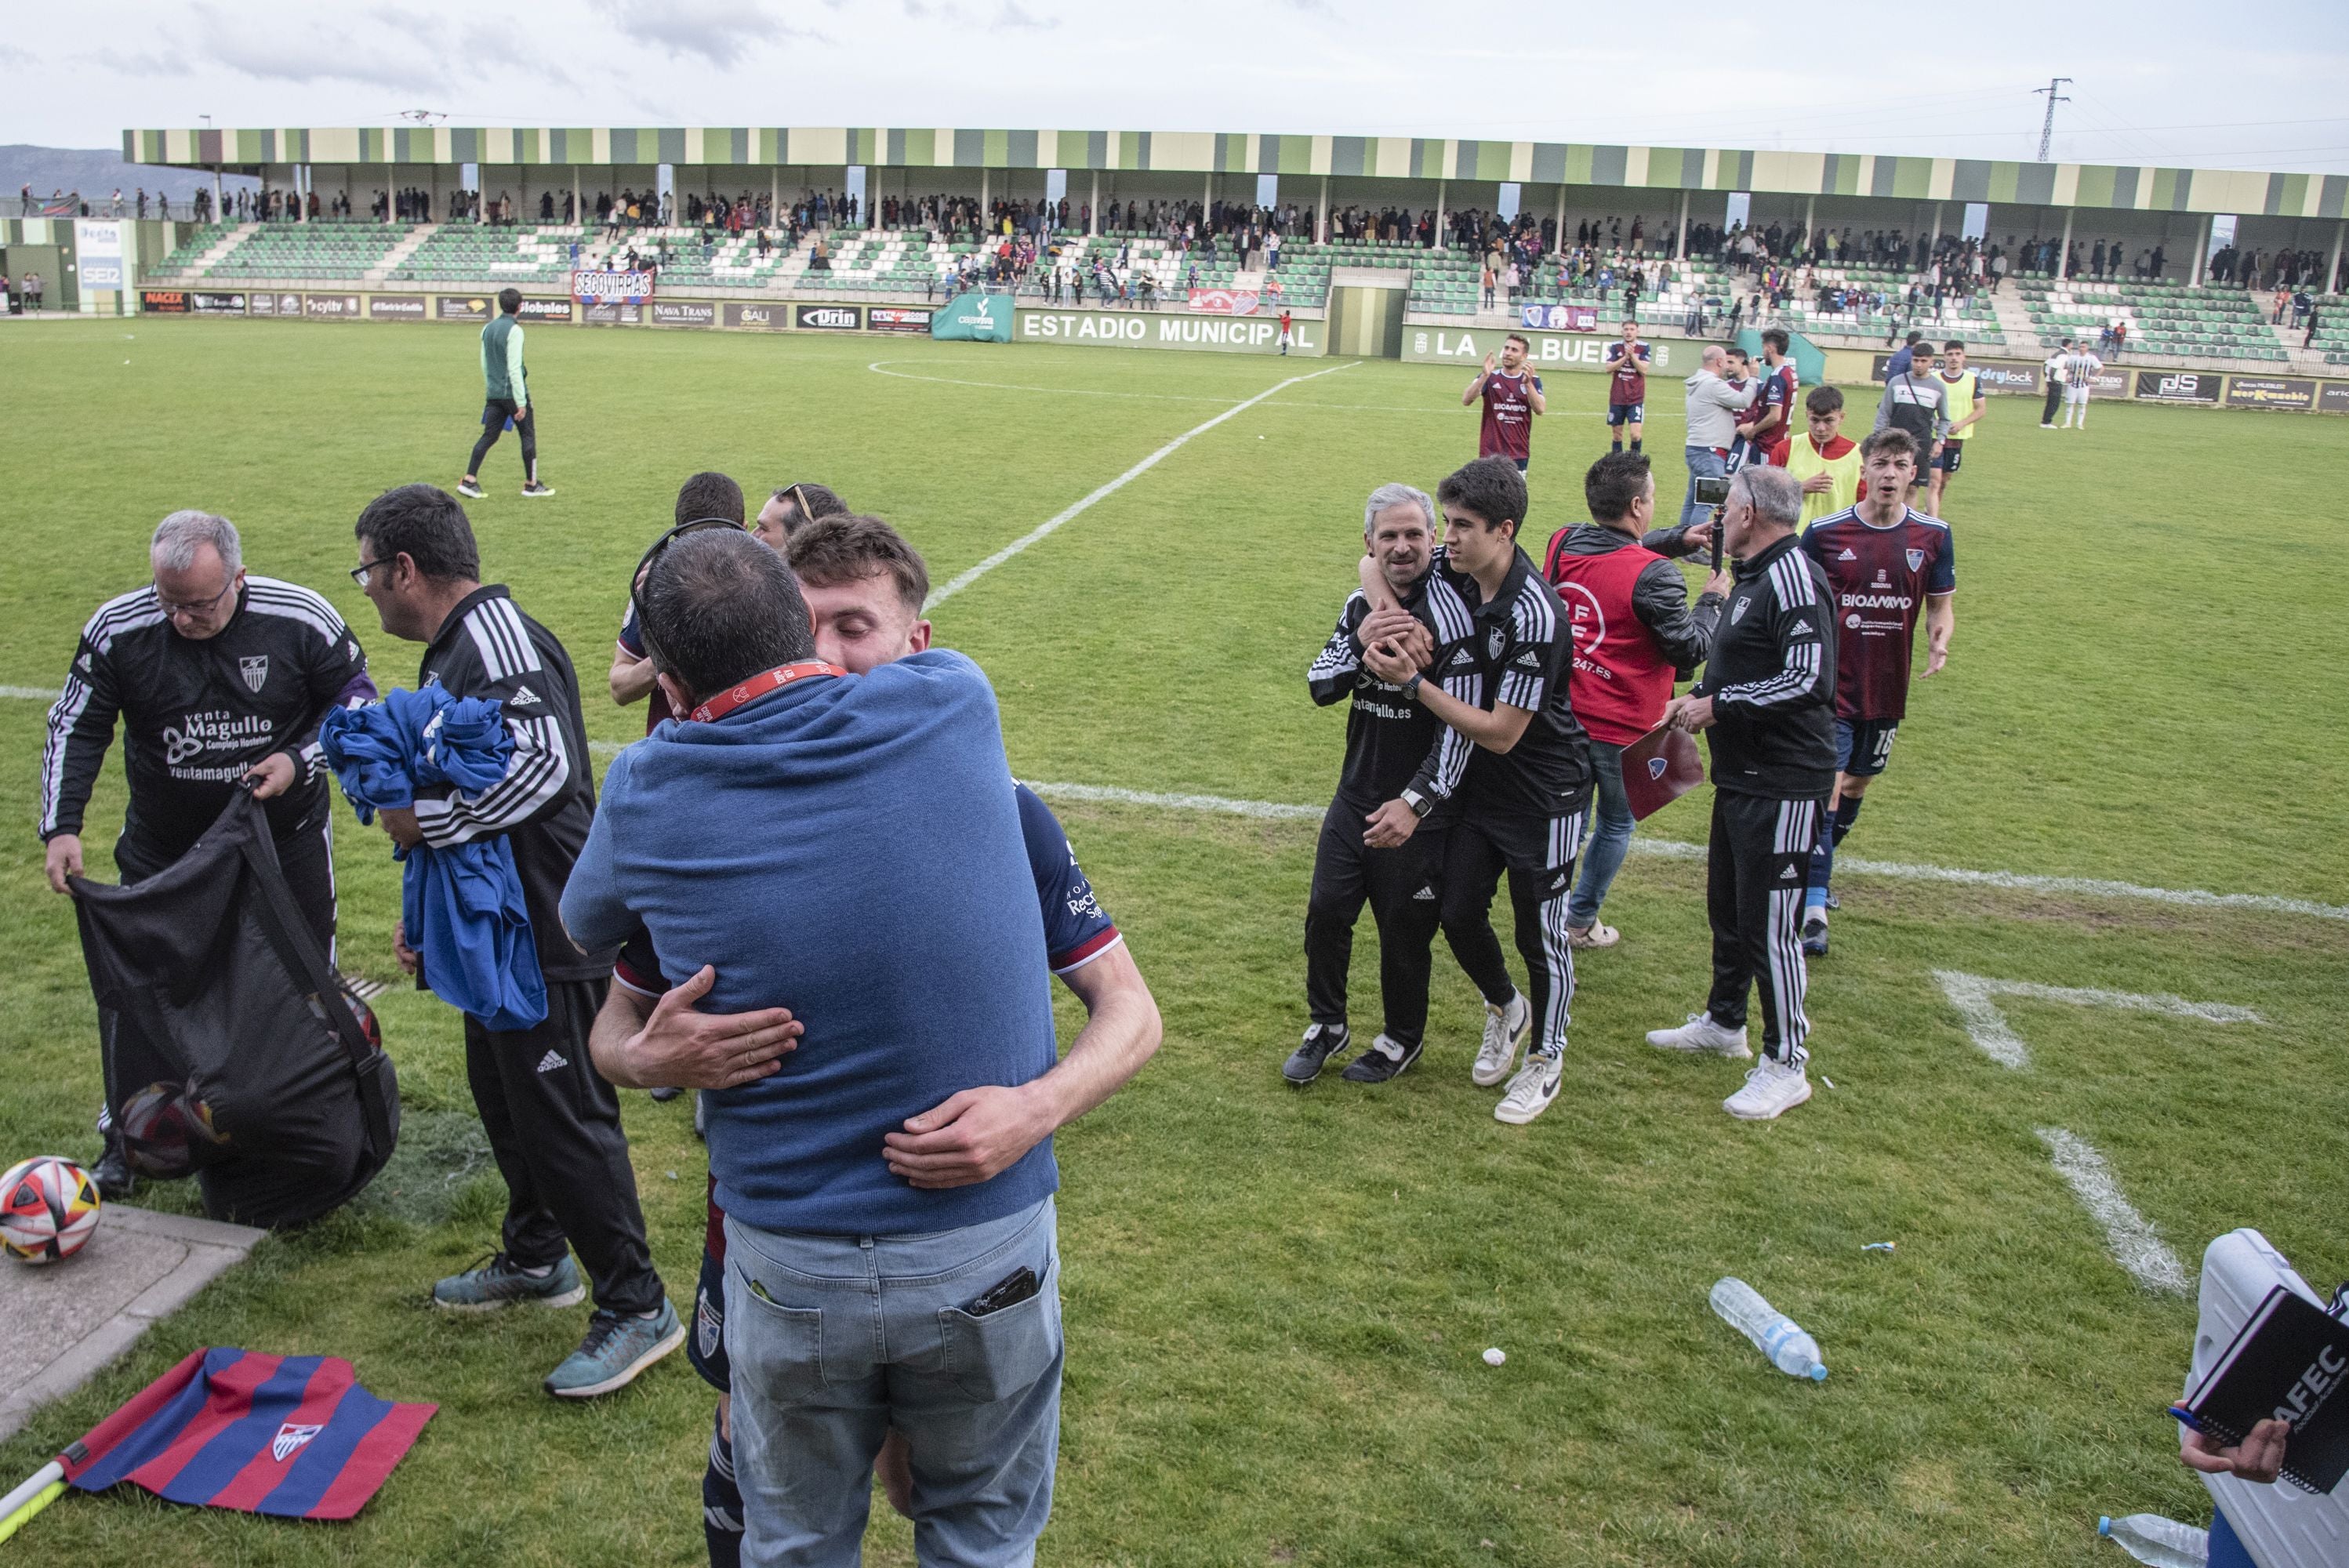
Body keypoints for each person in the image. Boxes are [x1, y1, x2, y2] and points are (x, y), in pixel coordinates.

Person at [561, 527, 1151, 1566]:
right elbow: (618, 1019)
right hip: (977, 1248)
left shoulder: (649, 791)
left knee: (792, 1544)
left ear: (671, 677)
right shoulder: (955, 699)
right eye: (818, 623)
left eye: (857, 625)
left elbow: (581, 925)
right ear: (792, 626)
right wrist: (644, 1055)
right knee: (979, 1543)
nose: (836, 651)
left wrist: (1038, 1106)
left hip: (791, 1263)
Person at [349, 483, 679, 1397]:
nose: (367, 590)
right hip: (492, 929)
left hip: (551, 923)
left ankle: (638, 1302)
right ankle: (538, 1256)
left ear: (405, 569)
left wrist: (426, 821)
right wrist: (426, 918)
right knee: (506, 1099)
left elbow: (545, 768)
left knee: (566, 1116)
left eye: (368, 571)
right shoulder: (451, 651)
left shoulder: (495, 640)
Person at [42, 510, 376, 1197]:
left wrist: (297, 760)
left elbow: (357, 703)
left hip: (282, 842)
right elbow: (77, 724)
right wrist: (62, 826)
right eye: (170, 602)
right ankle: (128, 1139)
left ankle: (309, 1127)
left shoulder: (301, 617)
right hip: (167, 849)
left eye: (198, 604)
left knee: (307, 987)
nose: (182, 619)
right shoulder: (120, 629)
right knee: (149, 992)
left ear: (239, 578)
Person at [1357, 459, 1592, 1127]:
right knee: (1457, 912)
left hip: (1545, 796)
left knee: (1540, 933)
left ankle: (1546, 1060)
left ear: (1505, 531)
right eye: (1447, 524)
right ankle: (1506, 1008)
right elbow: (1372, 564)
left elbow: (1498, 733)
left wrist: (1413, 682)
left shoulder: (1534, 615)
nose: (1445, 540)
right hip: (1481, 796)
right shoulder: (1458, 573)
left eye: (1460, 527)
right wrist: (1383, 607)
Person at [1646, 465, 1835, 1121]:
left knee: (1772, 928)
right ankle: (1725, 1023)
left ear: (1751, 513)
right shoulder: (1755, 575)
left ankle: (1787, 1065)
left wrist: (1719, 705)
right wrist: (1699, 698)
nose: (1719, 516)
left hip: (1784, 783)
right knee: (1729, 909)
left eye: (1727, 507)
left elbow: (1809, 681)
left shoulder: (1792, 576)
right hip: (1743, 776)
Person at [1291, 484, 1478, 1087]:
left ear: (1434, 540)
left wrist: (1417, 803)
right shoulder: (1358, 604)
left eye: (1414, 535)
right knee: (1326, 912)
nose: (1402, 547)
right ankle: (1327, 1024)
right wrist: (1359, 640)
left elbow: (1463, 727)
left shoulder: (1454, 613)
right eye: (1389, 537)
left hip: (1421, 807)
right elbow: (1321, 685)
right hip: (1355, 795)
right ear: (1369, 544)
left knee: (1404, 930)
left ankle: (1402, 1037)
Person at [1541, 453, 1727, 949]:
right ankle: (1579, 921)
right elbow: (1690, 648)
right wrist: (1713, 601)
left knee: (1568, 823)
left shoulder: (1562, 542)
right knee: (1616, 822)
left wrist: (1677, 539)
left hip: (1562, 717)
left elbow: (1613, 551)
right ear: (1638, 504)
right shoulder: (1655, 575)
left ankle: (1546, 912)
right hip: (1626, 727)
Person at [1794, 430, 1955, 956]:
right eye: (1881, 463)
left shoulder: (1934, 535)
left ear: (1915, 474)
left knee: (1858, 786)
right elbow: (1794, 596)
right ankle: (1814, 906)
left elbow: (1940, 603)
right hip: (1830, 685)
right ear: (1864, 469)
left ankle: (1818, 864)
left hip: (1887, 684)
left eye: (1900, 464)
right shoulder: (1824, 533)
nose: (1889, 473)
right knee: (1832, 787)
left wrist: (1939, 636)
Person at [611, 473, 751, 732]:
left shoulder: (768, 586)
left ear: (745, 532)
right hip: (677, 754)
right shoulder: (656, 590)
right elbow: (619, 687)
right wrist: (668, 656)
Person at [458, 288, 554, 501]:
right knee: (527, 435)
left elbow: (485, 364)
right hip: (511, 393)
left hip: (494, 393)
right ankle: (531, 484)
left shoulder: (487, 328)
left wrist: (492, 388)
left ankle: (469, 479)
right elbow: (514, 367)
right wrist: (520, 402)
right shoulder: (515, 331)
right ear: (520, 306)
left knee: (489, 436)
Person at [1765, 385, 1863, 531]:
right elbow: (1766, 495)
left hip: (1839, 540)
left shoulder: (1859, 455)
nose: (1821, 428)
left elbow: (1867, 505)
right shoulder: (1786, 449)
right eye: (1815, 420)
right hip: (1792, 538)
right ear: (1807, 415)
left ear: (1841, 417)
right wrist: (1800, 488)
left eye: (1829, 421)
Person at [1679, 344, 1752, 526]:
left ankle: (1683, 544)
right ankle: (1694, 547)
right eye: (1726, 361)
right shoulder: (1713, 385)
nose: (1728, 366)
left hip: (1697, 449)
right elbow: (1744, 400)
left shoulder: (1697, 383)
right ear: (1719, 362)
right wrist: (1753, 377)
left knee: (1693, 500)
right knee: (1707, 502)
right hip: (1710, 453)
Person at [1465, 333, 1545, 473]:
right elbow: (1466, 399)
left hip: (1518, 454)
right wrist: (1484, 376)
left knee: (1514, 495)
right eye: (1506, 348)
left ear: (1524, 356)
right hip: (1489, 454)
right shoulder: (1490, 377)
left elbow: (1540, 409)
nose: (1508, 353)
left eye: (1514, 350)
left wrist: (1528, 385)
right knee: (1485, 494)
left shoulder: (1533, 380)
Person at [1872, 340, 1946, 484]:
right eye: (1916, 360)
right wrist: (1877, 439)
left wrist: (1940, 441)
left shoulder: (1938, 387)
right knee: (1891, 483)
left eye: (1923, 361)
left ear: (1931, 361)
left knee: (1913, 487)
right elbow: (1884, 413)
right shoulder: (1896, 382)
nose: (1919, 364)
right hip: (1894, 441)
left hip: (1921, 442)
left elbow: (1944, 418)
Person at [1926, 340, 1984, 517]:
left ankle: (1931, 510)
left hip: (1957, 437)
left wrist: (1962, 424)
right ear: (1944, 357)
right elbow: (1924, 406)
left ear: (1963, 357)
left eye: (1957, 354)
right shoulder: (1933, 378)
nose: (1954, 358)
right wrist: (1936, 423)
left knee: (1944, 480)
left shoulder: (1972, 379)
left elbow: (1981, 409)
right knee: (1934, 480)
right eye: (1950, 354)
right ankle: (1932, 519)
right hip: (1934, 436)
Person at [1732, 328, 1798, 469]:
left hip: (1767, 446)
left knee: (1762, 489)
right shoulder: (1790, 373)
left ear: (1770, 348)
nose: (1763, 352)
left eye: (1763, 348)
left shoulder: (1777, 376)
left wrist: (1753, 430)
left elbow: (1775, 416)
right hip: (1780, 443)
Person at [1601, 318, 1652, 456]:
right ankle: (1617, 464)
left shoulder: (1644, 347)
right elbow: (1608, 368)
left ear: (1637, 331)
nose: (1629, 332)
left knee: (1635, 434)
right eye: (1626, 329)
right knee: (1617, 434)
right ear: (1622, 331)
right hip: (1617, 397)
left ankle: (1635, 463)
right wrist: (1624, 357)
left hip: (1636, 397)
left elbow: (1644, 370)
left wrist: (1633, 357)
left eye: (1632, 329)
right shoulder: (1615, 347)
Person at [2057, 339, 2104, 430]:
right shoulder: (2073, 358)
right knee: (2070, 404)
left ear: (2087, 348)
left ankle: (2079, 424)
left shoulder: (2091, 358)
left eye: (2083, 347)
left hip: (2084, 385)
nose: (2081, 348)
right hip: (2073, 384)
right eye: (2080, 347)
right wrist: (2066, 376)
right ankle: (2067, 423)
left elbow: (2101, 368)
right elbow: (2066, 367)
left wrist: (2094, 378)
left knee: (2082, 405)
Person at [2040, 338, 2071, 430]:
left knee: (2050, 402)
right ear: (2069, 345)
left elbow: (2045, 365)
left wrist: (2047, 378)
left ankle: (2045, 421)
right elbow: (2054, 368)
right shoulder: (2063, 355)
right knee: (2054, 403)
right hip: (2056, 381)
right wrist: (2054, 379)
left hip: (2051, 381)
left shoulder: (2055, 354)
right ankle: (2047, 422)